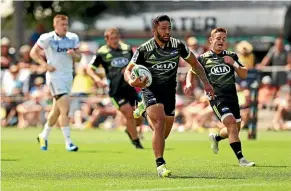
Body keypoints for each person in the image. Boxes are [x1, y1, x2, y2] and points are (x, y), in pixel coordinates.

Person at [124, 15, 214, 177]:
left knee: (163, 133)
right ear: (155, 30)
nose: (167, 31)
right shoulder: (144, 49)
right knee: (158, 124)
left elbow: (195, 64)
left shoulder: (178, 45)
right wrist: (132, 82)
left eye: (169, 28)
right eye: (163, 28)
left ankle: (143, 111)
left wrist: (206, 83)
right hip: (150, 89)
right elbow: (128, 70)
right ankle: (160, 165)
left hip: (169, 92)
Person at [185, 27, 255, 167]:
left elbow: (244, 74)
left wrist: (233, 63)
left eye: (224, 39)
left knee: (234, 128)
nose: (221, 41)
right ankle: (241, 159)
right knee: (231, 124)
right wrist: (188, 83)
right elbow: (191, 71)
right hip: (216, 97)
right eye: (218, 38)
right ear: (211, 40)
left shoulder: (232, 56)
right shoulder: (203, 58)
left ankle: (216, 137)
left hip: (232, 97)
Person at [30, 14, 82, 151]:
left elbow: (79, 58)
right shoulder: (47, 38)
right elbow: (33, 53)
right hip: (55, 77)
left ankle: (43, 135)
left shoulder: (73, 38)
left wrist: (74, 55)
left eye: (66, 24)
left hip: (68, 77)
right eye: (62, 25)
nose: (65, 27)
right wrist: (45, 65)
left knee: (56, 111)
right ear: (55, 25)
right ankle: (68, 142)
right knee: (65, 109)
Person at [86, 27, 144, 149]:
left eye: (116, 38)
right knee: (128, 113)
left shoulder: (127, 49)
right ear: (106, 39)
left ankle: (130, 129)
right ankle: (136, 142)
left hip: (130, 88)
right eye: (112, 38)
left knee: (138, 116)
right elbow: (90, 69)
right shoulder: (101, 52)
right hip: (116, 91)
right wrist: (97, 79)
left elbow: (135, 65)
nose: (114, 40)